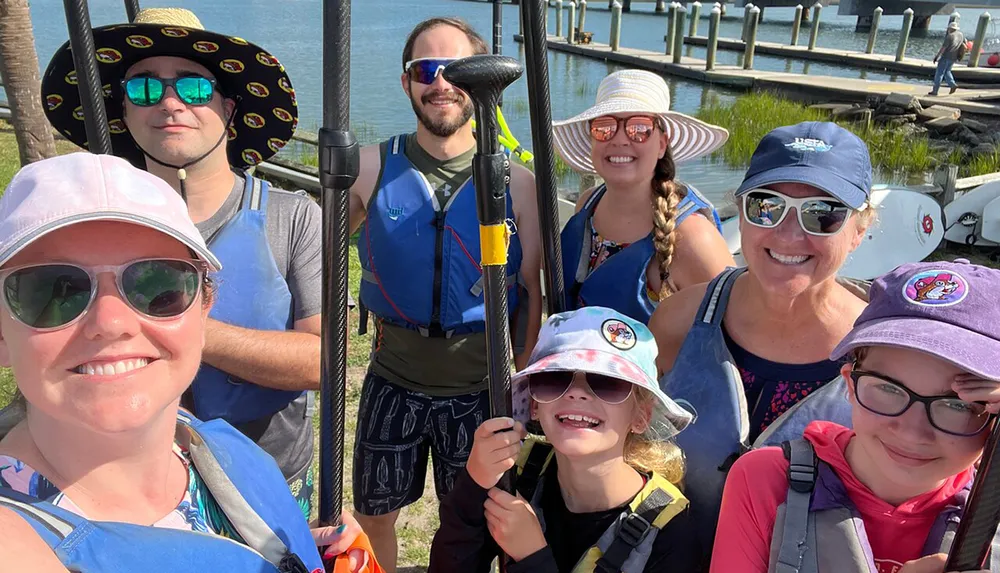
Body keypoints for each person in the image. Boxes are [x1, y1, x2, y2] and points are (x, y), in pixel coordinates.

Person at [0, 153, 374, 572]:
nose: (111, 322)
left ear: (203, 310)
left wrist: (291, 545)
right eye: (52, 290)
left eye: (158, 283)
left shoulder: (197, 445)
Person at [41, 8, 324, 518]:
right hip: (125, 484)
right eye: (144, 90)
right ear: (122, 113)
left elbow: (324, 360)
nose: (170, 103)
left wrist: (179, 329)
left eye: (193, 88)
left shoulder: (295, 216)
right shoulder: (93, 231)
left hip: (271, 477)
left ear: (229, 109)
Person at [347, 17, 542, 571]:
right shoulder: (367, 168)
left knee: (481, 517)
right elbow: (315, 253)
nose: (440, 83)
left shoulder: (516, 183)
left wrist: (522, 379)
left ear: (482, 81)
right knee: (375, 513)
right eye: (424, 70)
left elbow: (533, 292)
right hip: (393, 378)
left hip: (481, 391)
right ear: (406, 81)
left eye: (455, 69)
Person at [650, 121, 877, 559]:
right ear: (741, 211)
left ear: (859, 230)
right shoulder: (678, 320)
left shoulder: (884, 352)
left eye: (822, 212)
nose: (790, 234)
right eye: (766, 206)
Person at [711, 259, 1000, 573]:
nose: (913, 432)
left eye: (958, 404)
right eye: (888, 390)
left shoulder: (991, 513)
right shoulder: (767, 482)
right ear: (849, 383)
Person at [428, 306, 701, 572]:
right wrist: (474, 485)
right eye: (555, 378)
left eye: (607, 382)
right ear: (535, 405)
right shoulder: (518, 473)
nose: (577, 393)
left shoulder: (671, 530)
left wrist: (532, 557)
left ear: (641, 415)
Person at [553, 69, 735, 323]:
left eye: (639, 129)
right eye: (604, 128)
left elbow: (737, 326)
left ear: (662, 143)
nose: (619, 140)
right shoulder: (587, 204)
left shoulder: (694, 237)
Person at [931, 21, 965, 96]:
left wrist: (937, 57)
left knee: (939, 73)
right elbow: (963, 45)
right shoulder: (961, 35)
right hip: (953, 58)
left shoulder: (949, 36)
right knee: (947, 71)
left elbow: (943, 48)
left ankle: (935, 91)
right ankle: (952, 84)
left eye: (949, 28)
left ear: (950, 28)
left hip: (946, 57)